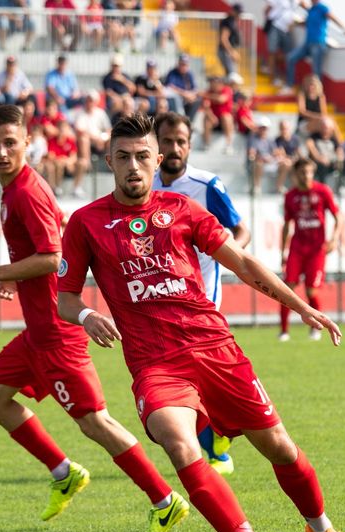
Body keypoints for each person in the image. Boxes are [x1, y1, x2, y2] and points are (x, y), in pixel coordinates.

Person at [57, 114, 345, 532]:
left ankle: (322, 529)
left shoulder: (182, 208)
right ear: (109, 162)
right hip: (156, 364)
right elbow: (65, 298)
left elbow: (242, 262)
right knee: (179, 442)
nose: (133, 166)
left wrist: (302, 307)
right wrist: (86, 315)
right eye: (123, 157)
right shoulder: (86, 223)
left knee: (280, 448)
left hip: (215, 348)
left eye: (142, 156)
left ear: (157, 160)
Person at [0, 104, 191, 532]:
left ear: (27, 143)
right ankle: (64, 473)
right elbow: (45, 246)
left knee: (95, 421)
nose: (2, 152)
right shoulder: (13, 190)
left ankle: (164, 499)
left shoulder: (27, 192)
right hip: (37, 332)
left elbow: (52, 256)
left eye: (10, 143)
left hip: (58, 331)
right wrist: (14, 279)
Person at [153, 111, 250, 475]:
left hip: (202, 295)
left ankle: (217, 439)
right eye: (167, 141)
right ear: (156, 146)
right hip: (160, 296)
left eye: (181, 141)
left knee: (201, 370)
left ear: (190, 145)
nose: (174, 148)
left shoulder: (206, 185)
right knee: (183, 373)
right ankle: (214, 440)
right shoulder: (145, 185)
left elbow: (240, 231)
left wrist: (230, 255)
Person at [280, 158, 344, 342]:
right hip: (297, 248)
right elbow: (287, 225)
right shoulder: (290, 196)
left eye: (309, 172)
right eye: (303, 172)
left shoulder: (323, 191)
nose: (306, 176)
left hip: (316, 250)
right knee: (287, 288)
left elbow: (338, 217)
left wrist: (334, 238)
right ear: (296, 174)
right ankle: (284, 331)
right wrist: (283, 251)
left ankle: (316, 328)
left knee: (311, 291)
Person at [285, 0, 345, 92]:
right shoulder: (311, 10)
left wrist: (344, 29)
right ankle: (290, 85)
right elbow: (307, 23)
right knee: (291, 58)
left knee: (316, 70)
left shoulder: (322, 8)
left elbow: (333, 18)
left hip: (318, 43)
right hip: (307, 43)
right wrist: (295, 23)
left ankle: (318, 94)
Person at [264, 0, 299, 87]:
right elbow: (267, 9)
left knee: (289, 55)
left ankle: (269, 65)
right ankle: (271, 78)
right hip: (275, 26)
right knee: (272, 52)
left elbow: (307, 6)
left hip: (287, 30)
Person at [164, 53, 200, 119]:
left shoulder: (190, 74)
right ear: (178, 64)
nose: (183, 66)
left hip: (187, 98)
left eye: (185, 64)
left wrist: (190, 95)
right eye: (182, 64)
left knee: (197, 100)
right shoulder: (173, 72)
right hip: (176, 98)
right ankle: (180, 120)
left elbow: (195, 89)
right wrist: (184, 94)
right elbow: (170, 87)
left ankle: (188, 121)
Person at [217, 3, 242, 79]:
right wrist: (231, 52)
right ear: (233, 11)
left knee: (230, 76)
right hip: (226, 52)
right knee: (232, 76)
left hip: (227, 51)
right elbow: (223, 39)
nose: (239, 15)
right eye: (238, 13)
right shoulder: (228, 22)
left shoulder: (232, 21)